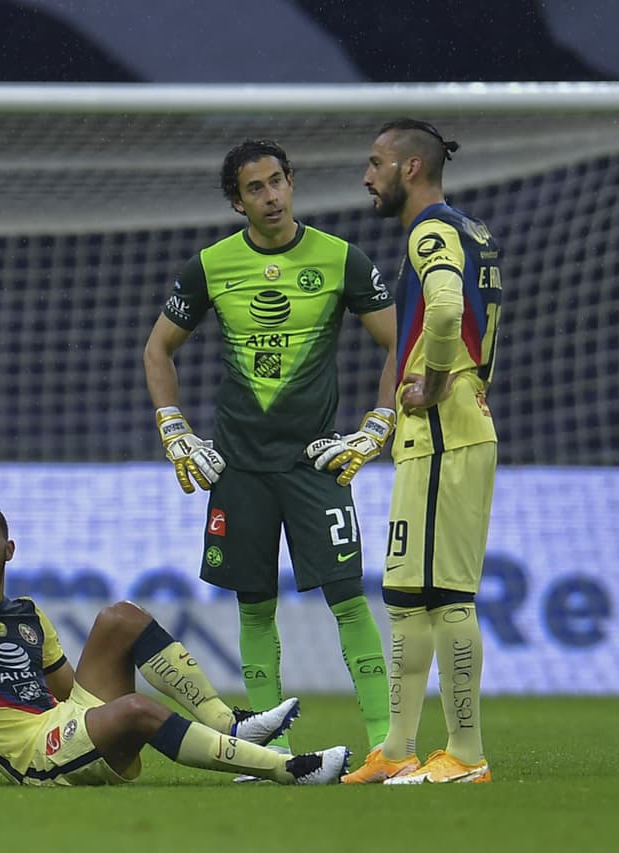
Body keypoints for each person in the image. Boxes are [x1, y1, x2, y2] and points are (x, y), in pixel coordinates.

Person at [142, 139, 397, 763]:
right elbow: (157, 350)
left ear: (292, 183)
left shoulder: (342, 259)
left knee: (348, 599)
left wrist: (380, 421)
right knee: (254, 611)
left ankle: (391, 749)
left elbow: (398, 343)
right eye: (255, 188)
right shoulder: (211, 266)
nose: (271, 195)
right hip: (239, 468)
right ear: (238, 201)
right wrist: (173, 425)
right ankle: (270, 759)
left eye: (278, 181)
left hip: (317, 462)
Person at [0, 500, 351, 786]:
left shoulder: (28, 614)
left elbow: (68, 692)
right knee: (135, 711)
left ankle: (226, 722)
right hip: (34, 759)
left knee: (120, 617)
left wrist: (94, 720)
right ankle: (288, 768)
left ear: (9, 549)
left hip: (61, 727)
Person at [343, 120, 501, 785]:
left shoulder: (430, 230)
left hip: (445, 432)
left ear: (411, 168)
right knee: (407, 596)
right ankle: (398, 747)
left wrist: (435, 379)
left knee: (448, 598)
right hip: (435, 435)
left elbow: (442, 312)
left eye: (377, 163)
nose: (367, 175)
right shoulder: (473, 232)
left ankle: (465, 753)